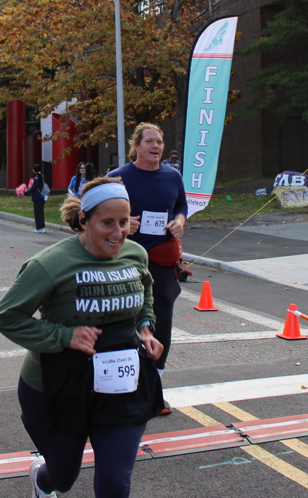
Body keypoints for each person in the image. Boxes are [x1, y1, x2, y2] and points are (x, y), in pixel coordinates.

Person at [0, 178, 164, 498]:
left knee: (116, 482)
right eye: (107, 223)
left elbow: (146, 290)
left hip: (120, 386)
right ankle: (43, 480)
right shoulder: (49, 264)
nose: (118, 233)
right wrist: (64, 335)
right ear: (84, 220)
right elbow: (5, 317)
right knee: (63, 476)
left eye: (124, 222)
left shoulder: (136, 254)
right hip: (57, 386)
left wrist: (145, 328)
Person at [109, 123, 187, 415]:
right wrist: (123, 224)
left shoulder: (172, 176)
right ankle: (122, 386)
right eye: (150, 142)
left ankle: (154, 387)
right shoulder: (118, 178)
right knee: (127, 319)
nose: (156, 146)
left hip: (162, 260)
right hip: (126, 258)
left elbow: (181, 206)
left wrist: (179, 222)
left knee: (162, 318)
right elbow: (96, 213)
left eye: (160, 142)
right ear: (137, 146)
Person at [24, 163, 47, 233]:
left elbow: (33, 188)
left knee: (37, 213)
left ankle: (39, 228)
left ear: (35, 170)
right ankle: (42, 227)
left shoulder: (37, 178)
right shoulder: (41, 176)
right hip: (42, 197)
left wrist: (25, 193)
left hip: (37, 197)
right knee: (41, 212)